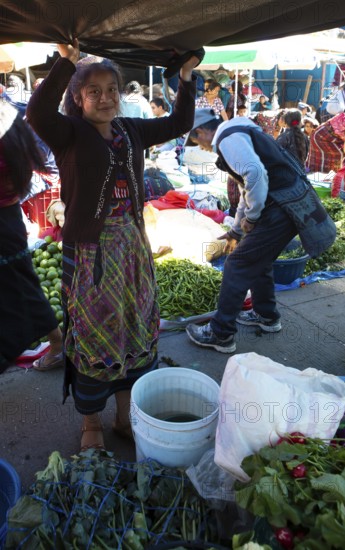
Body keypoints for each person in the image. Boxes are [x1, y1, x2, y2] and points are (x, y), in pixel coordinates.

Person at [26, 39, 200, 451]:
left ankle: (124, 416)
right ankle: (92, 424)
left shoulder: (130, 129)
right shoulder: (69, 132)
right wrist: (66, 61)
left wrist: (187, 78)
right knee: (94, 332)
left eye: (111, 90)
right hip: (92, 255)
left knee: (134, 330)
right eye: (94, 91)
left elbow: (179, 123)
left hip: (134, 252)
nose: (105, 98)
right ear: (79, 98)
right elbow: (36, 111)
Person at [185, 108, 306, 353]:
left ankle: (221, 334)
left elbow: (255, 174)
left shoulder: (228, 139)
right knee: (258, 261)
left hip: (281, 207)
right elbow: (245, 190)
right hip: (287, 204)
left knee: (236, 264)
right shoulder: (239, 131)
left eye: (196, 141)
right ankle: (267, 316)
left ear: (201, 132)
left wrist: (251, 218)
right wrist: (237, 231)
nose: (200, 147)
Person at [0, 96, 62, 373]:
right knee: (24, 283)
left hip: (5, 219)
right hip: (9, 217)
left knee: (23, 285)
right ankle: (56, 343)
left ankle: (57, 345)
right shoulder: (8, 115)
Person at [306, 101, 345, 173]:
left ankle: (320, 176)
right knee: (339, 155)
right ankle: (330, 177)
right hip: (323, 138)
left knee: (321, 160)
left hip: (319, 135)